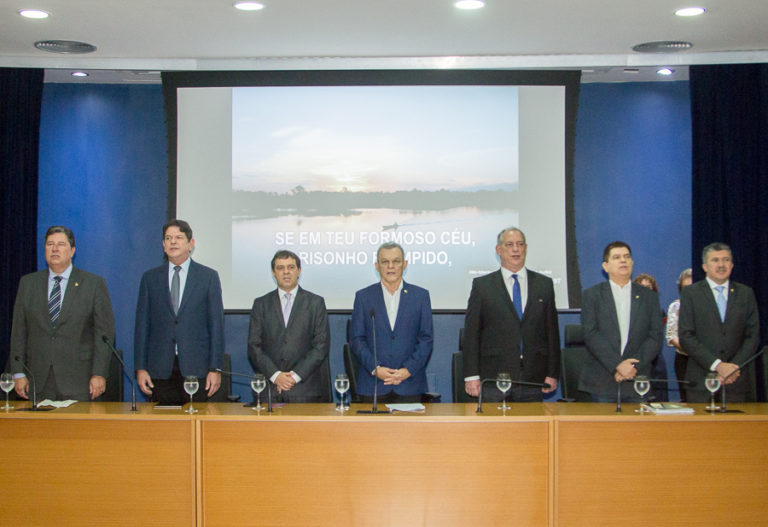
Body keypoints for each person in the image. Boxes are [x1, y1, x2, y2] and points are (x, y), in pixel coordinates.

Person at [9, 225, 115, 401]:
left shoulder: (93, 284)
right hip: (37, 380)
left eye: (61, 244)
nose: (55, 249)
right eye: (50, 244)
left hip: (79, 380)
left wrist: (99, 373)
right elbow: (18, 332)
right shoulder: (28, 284)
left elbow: (104, 334)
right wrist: (18, 372)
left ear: (72, 251)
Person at [463, 227, 560, 402]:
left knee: (532, 429)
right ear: (498, 250)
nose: (515, 249)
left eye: (520, 244)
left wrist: (552, 373)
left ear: (526, 248)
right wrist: (471, 375)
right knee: (495, 429)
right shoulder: (482, 286)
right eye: (509, 245)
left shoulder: (544, 284)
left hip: (533, 379)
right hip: (494, 378)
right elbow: (472, 334)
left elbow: (552, 332)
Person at [134, 219, 225, 404]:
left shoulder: (208, 277)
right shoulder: (150, 278)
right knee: (165, 428)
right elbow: (142, 325)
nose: (173, 242)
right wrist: (140, 368)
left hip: (196, 368)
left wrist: (215, 369)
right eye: (168, 238)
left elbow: (216, 325)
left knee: (195, 425)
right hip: (160, 368)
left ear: (190, 244)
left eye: (178, 238)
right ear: (163, 245)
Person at [349, 242, 433, 403]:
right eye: (384, 262)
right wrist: (376, 368)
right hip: (373, 385)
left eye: (396, 261)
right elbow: (357, 339)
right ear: (377, 266)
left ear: (405, 264)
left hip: (410, 384)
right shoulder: (363, 297)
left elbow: (426, 339)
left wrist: (408, 370)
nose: (390, 266)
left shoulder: (420, 296)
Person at [579, 241, 663, 402]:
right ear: (606, 266)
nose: (623, 261)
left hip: (637, 379)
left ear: (632, 262)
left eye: (627, 257)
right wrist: (618, 364)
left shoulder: (649, 297)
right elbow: (591, 334)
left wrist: (632, 367)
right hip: (602, 381)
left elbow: (655, 336)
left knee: (637, 428)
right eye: (616, 257)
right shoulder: (592, 295)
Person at [679, 243, 759, 403]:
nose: (721, 265)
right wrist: (717, 365)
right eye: (715, 260)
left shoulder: (745, 293)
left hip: (736, 381)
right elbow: (686, 336)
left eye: (726, 260)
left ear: (732, 264)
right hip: (701, 382)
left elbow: (753, 336)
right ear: (705, 266)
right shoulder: (691, 294)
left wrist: (733, 366)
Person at [247, 250, 330, 402]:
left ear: (299, 271)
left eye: (291, 267)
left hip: (305, 388)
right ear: (273, 272)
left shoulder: (316, 303)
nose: (286, 272)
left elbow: (320, 346)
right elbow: (254, 346)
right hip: (270, 388)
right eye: (280, 268)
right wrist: (276, 376)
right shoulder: (261, 304)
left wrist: (294, 377)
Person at [633, 272, 668, 401]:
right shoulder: (628, 311)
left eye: (649, 287)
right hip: (635, 360)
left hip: (655, 362)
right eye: (641, 287)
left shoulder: (659, 311)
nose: (645, 291)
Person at [665, 268, 693, 401]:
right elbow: (671, 336)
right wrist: (692, 349)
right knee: (686, 398)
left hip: (707, 360)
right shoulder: (676, 306)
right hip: (684, 359)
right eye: (686, 287)